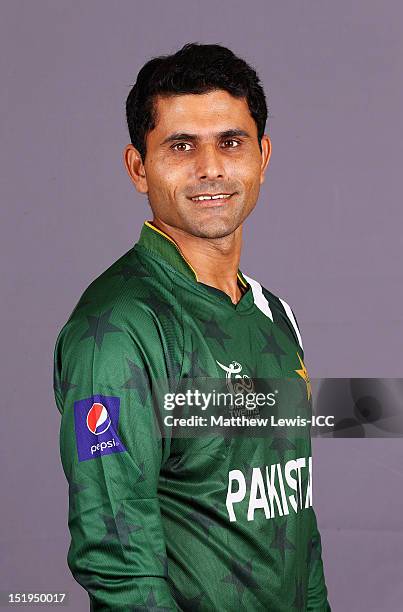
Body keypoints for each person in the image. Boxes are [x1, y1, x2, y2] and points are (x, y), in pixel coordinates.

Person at [53, 42, 331, 611]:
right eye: (181, 146)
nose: (210, 167)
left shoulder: (274, 315)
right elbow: (117, 560)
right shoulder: (118, 329)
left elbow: (296, 520)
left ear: (263, 156)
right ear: (138, 167)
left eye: (231, 142)